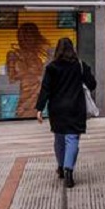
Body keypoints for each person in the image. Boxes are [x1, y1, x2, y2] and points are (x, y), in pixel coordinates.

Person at [34, 38, 96, 189]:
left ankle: (61, 166)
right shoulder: (80, 66)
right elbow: (92, 84)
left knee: (59, 138)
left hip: (57, 109)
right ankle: (69, 170)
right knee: (72, 138)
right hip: (75, 108)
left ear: (58, 50)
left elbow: (45, 89)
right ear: (72, 49)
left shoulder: (52, 68)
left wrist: (39, 108)